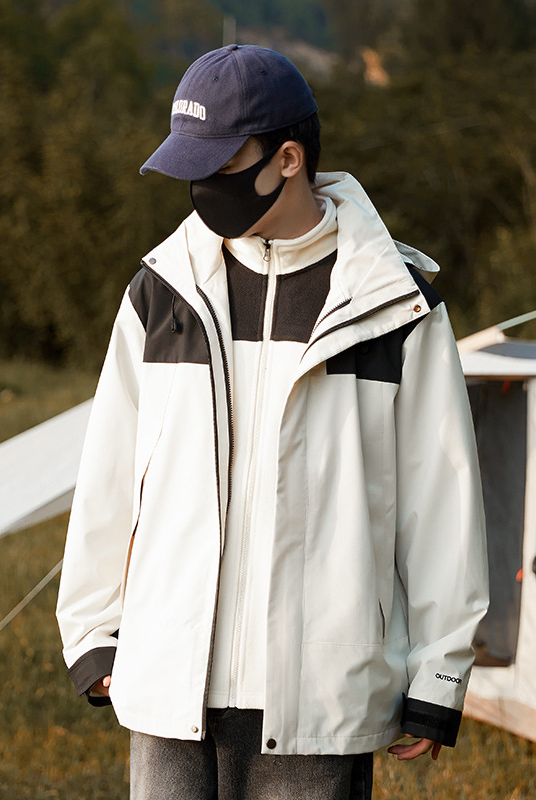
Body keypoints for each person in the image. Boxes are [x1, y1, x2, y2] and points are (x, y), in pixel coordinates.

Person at [56, 44, 488, 799]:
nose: (198, 187)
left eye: (217, 165)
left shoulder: (396, 304)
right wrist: (95, 635)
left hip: (319, 687)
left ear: (288, 158)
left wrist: (440, 670)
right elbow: (109, 473)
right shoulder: (162, 295)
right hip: (169, 683)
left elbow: (442, 501)